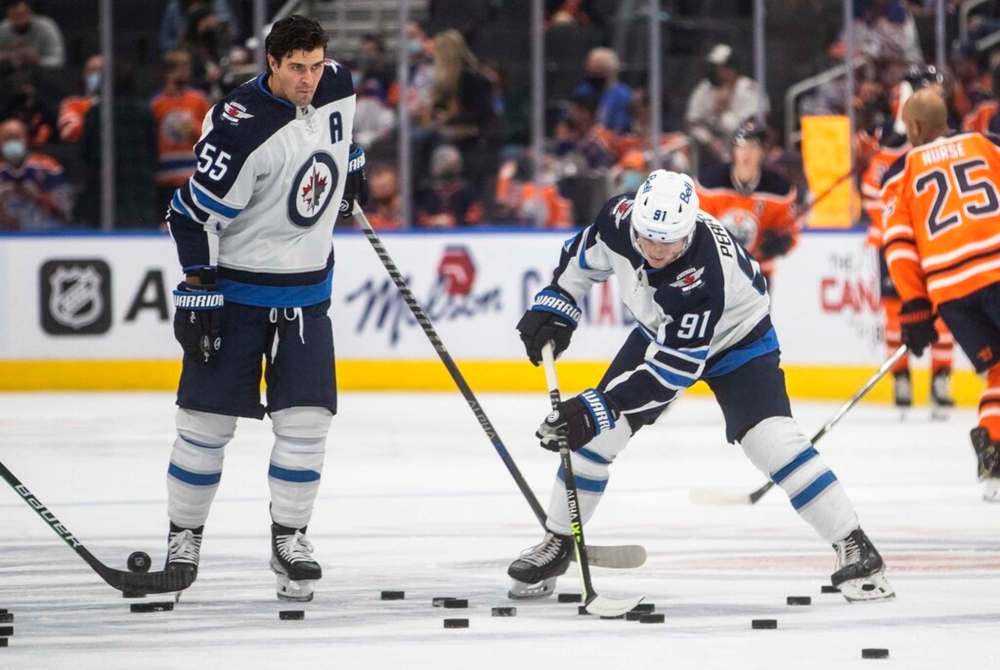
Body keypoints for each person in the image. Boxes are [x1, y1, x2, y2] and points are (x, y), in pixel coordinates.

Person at [507, 170, 895, 602]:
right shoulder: (618, 218)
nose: (656, 250)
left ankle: (855, 545)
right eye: (647, 238)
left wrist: (596, 407)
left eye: (669, 241)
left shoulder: (701, 273)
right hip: (661, 329)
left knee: (772, 441)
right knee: (597, 437)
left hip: (738, 340)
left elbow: (672, 371)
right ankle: (558, 541)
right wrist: (557, 305)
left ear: (689, 229)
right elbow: (581, 259)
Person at [161, 14, 367, 601]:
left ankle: (290, 539)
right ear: (271, 63)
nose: (309, 79)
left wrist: (350, 164)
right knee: (204, 427)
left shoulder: (338, 85)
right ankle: (184, 537)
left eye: (316, 65)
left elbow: (337, 138)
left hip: (308, 297)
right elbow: (188, 215)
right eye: (296, 68)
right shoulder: (239, 130)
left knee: (307, 425)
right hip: (237, 298)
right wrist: (198, 288)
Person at [880, 89, 1000, 502]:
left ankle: (993, 447)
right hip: (996, 268)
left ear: (914, 127)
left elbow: (898, 245)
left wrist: (915, 304)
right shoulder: (985, 145)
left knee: (997, 370)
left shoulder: (900, 172)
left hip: (951, 293)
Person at [864, 65, 955, 414]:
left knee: (944, 308)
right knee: (895, 312)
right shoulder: (891, 141)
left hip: (935, 241)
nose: (939, 96)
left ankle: (941, 377)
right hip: (895, 243)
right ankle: (900, 377)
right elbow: (872, 194)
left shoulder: (947, 138)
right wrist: (901, 230)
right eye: (931, 89)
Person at [695, 119, 797, 285]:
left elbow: (790, 232)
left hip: (757, 275)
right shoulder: (709, 183)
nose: (746, 153)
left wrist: (781, 243)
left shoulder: (778, 190)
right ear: (733, 150)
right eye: (741, 146)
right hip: (715, 273)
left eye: (753, 146)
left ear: (763, 151)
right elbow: (696, 230)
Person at [150, 50, 212, 214]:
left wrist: (193, 126)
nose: (186, 72)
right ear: (168, 72)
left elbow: (211, 135)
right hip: (165, 176)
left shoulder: (198, 100)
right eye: (182, 68)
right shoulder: (157, 103)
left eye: (187, 67)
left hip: (193, 175)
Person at [685, 44, 769, 163]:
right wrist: (709, 141)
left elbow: (756, 120)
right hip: (711, 145)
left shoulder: (749, 87)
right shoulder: (704, 88)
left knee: (729, 122)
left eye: (723, 67)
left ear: (733, 67)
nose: (718, 71)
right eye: (715, 67)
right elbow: (692, 121)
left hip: (743, 141)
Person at [0, 117, 71, 230]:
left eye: (16, 137)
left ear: (26, 138)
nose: (12, 143)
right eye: (7, 138)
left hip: (45, 232)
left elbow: (65, 211)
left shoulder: (48, 167)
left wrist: (37, 196)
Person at [572, 47, 632, 133]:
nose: (595, 75)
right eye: (592, 71)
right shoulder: (583, 91)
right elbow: (568, 122)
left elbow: (621, 127)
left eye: (600, 70)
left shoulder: (623, 95)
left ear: (611, 72)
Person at [0, 0, 65, 71]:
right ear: (8, 15)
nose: (19, 20)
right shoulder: (3, 28)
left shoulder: (46, 27)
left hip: (41, 72)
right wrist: (7, 56)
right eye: (14, 16)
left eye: (22, 14)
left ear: (30, 11)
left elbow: (58, 60)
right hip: (11, 72)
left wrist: (37, 61)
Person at [56, 54, 103, 143]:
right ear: (84, 74)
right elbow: (69, 133)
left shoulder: (119, 104)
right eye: (93, 70)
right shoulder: (72, 103)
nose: (98, 75)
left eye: (101, 71)